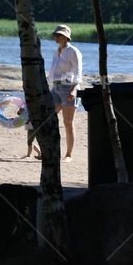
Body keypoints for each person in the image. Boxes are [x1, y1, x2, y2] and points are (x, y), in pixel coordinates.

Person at [48, 24, 82, 163]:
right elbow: (53, 72)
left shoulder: (73, 51)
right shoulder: (56, 51)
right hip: (55, 88)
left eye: (59, 35)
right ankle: (49, 150)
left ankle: (69, 154)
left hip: (68, 88)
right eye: (56, 35)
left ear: (66, 37)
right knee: (48, 118)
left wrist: (74, 89)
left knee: (68, 122)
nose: (56, 37)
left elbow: (78, 71)